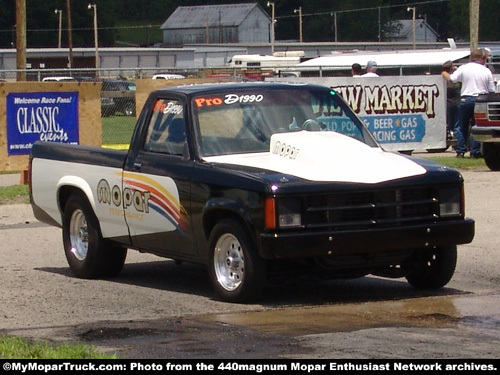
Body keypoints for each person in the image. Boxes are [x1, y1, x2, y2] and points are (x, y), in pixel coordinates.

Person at [442, 49, 496, 158]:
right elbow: (491, 90)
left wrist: (444, 72)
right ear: (481, 58)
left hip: (465, 99)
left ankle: (461, 151)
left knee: (462, 126)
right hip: (480, 99)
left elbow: (452, 79)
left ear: (471, 58)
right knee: (477, 126)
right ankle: (474, 152)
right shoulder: (486, 71)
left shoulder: (463, 68)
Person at [442, 60, 461, 145]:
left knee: (449, 124)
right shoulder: (457, 80)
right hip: (457, 103)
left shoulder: (444, 79)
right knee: (457, 126)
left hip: (448, 104)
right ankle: (458, 145)